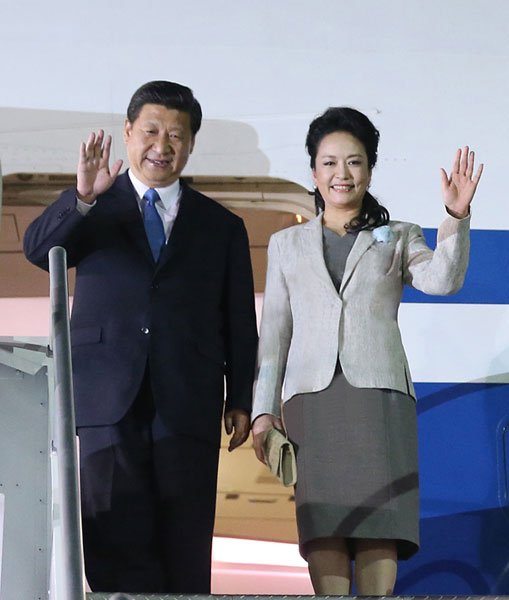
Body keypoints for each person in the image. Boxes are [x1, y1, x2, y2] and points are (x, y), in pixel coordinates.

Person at [24, 80, 258, 594]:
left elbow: (239, 320)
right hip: (106, 399)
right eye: (151, 131)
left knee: (185, 546)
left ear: (191, 144)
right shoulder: (94, 210)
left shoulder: (222, 226)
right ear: (128, 132)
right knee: (111, 541)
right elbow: (38, 251)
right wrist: (82, 196)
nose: (162, 145)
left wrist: (241, 398)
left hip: (188, 402)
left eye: (177, 135)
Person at [251, 107, 482, 596]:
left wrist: (455, 216)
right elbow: (273, 336)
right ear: (313, 172)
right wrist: (262, 414)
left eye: (354, 162)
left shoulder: (398, 235)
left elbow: (442, 280)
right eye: (330, 162)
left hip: (378, 398)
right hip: (311, 401)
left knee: (381, 523)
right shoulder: (286, 243)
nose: (342, 174)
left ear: (370, 169)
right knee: (324, 528)